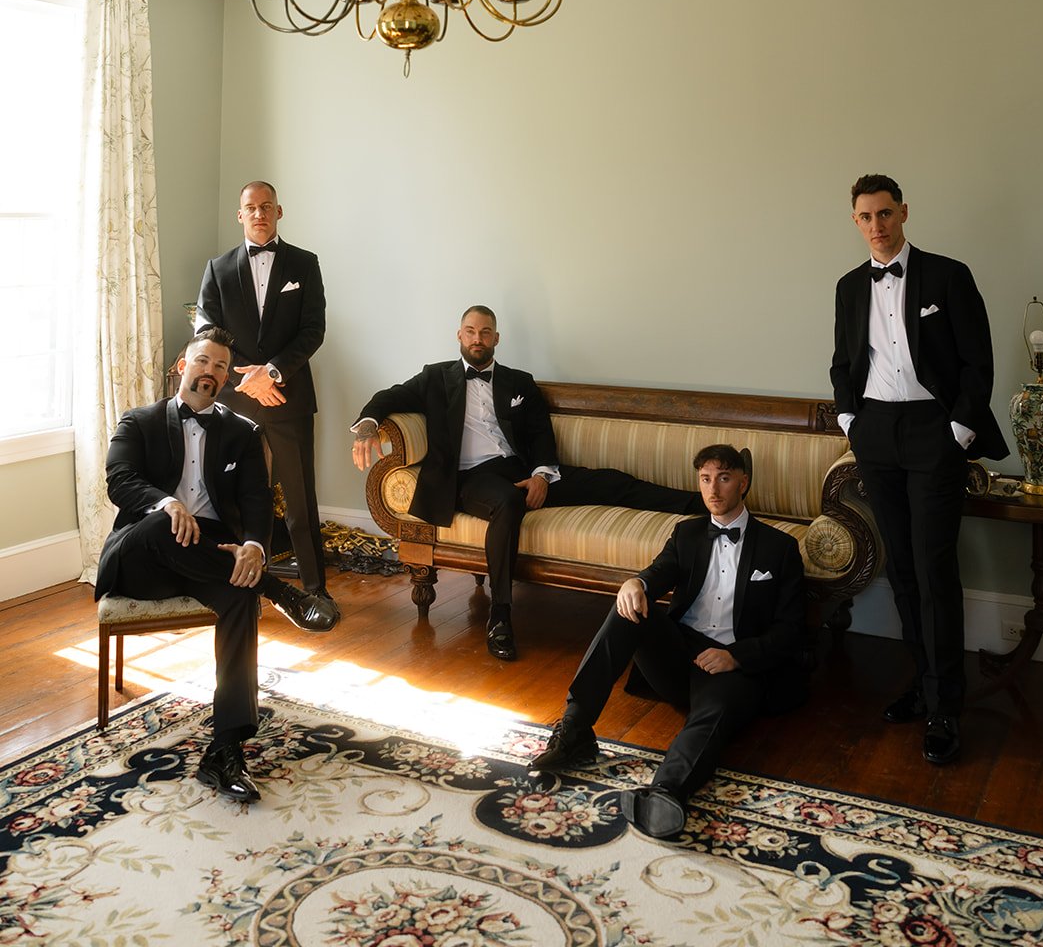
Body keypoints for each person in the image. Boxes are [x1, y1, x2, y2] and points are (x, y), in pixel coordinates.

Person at [350, 305, 703, 662]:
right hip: (469, 478)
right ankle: (500, 615)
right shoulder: (435, 377)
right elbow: (389, 397)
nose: (477, 339)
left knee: (609, 482)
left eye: (485, 332)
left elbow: (539, 434)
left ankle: (700, 504)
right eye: (471, 331)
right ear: (459, 335)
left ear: (496, 339)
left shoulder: (519, 382)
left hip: (519, 469)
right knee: (507, 502)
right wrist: (367, 427)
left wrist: (541, 475)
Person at [94, 327, 338, 804]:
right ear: (183, 366)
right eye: (204, 361)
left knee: (241, 589)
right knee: (166, 526)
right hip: (141, 559)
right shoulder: (138, 421)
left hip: (209, 561)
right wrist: (167, 503)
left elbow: (256, 502)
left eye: (221, 366)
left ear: (227, 378)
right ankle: (281, 591)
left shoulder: (243, 432)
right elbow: (119, 481)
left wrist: (252, 546)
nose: (211, 372)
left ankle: (224, 749)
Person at [528, 444, 806, 838]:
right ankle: (575, 730)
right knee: (628, 608)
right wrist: (635, 583)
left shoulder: (779, 548)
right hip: (678, 654)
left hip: (732, 666)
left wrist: (736, 657)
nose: (714, 489)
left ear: (743, 483)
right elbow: (658, 573)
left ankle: (665, 792)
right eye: (706, 479)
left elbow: (792, 630)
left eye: (724, 478)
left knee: (712, 716)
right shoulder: (688, 532)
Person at [830, 172, 1007, 767]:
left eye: (885, 214)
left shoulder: (948, 276)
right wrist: (851, 420)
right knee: (901, 567)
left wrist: (958, 429)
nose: (876, 226)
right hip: (876, 433)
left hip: (936, 432)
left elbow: (977, 361)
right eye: (865, 217)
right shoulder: (850, 287)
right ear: (855, 222)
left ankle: (945, 706)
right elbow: (843, 360)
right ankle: (922, 681)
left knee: (933, 568)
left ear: (903, 212)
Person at [197, 180, 336, 620]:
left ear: (280, 211)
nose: (259, 214)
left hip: (287, 397)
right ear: (240, 215)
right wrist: (247, 378)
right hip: (235, 402)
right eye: (250, 208)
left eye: (266, 207)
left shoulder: (305, 264)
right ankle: (237, 591)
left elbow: (313, 330)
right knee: (231, 499)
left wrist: (272, 371)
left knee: (300, 501)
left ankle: (317, 592)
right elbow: (207, 333)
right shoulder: (217, 269)